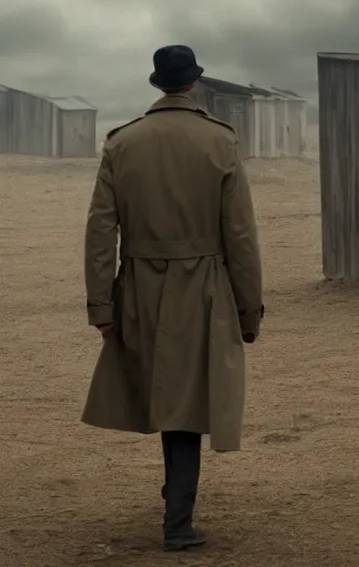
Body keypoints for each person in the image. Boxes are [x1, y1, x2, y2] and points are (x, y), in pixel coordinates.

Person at [81, 45, 264, 552]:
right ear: (193, 84)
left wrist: (102, 305)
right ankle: (177, 520)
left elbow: (101, 231)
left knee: (170, 399)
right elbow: (241, 236)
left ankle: (176, 508)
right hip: (203, 288)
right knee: (186, 404)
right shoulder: (220, 140)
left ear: (158, 84)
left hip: (139, 288)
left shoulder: (123, 142)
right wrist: (249, 309)